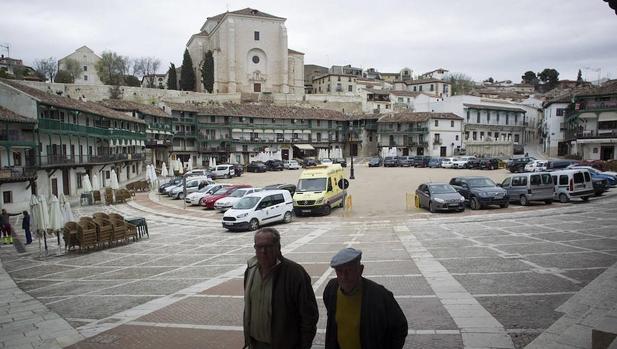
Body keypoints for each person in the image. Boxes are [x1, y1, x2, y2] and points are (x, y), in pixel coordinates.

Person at [243, 227, 318, 349]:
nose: (263, 251)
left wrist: (304, 345)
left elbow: (309, 316)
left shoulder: (295, 273)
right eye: (259, 247)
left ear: (278, 247)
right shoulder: (251, 270)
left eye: (268, 246)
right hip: (255, 344)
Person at [323, 247, 408, 349]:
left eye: (349, 270)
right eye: (339, 271)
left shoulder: (380, 296)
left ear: (360, 270)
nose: (344, 276)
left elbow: (400, 327)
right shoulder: (331, 289)